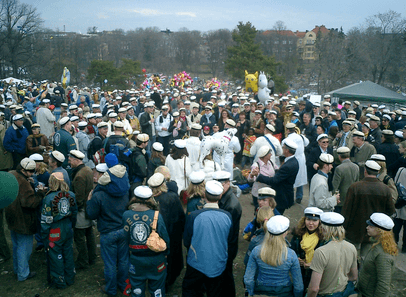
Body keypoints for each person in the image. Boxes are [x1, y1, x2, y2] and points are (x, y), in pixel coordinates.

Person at [86, 153, 130, 296]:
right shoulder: (124, 190)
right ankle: (124, 284)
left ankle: (111, 289)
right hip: (123, 229)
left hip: (107, 232)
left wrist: (89, 201)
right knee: (123, 260)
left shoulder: (98, 194)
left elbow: (91, 214)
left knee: (110, 263)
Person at [182, 180, 233, 297]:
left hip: (196, 262)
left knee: (191, 290)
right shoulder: (227, 216)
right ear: (220, 196)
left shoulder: (194, 216)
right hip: (218, 263)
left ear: (204, 194)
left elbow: (187, 240)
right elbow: (229, 240)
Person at [122, 186, 170, 297]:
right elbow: (165, 238)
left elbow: (126, 237)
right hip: (156, 258)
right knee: (157, 288)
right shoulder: (157, 216)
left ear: (135, 197)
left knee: (137, 288)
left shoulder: (126, 215)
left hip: (136, 259)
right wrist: (166, 253)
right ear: (150, 198)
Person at [342, 160, 395, 257]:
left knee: (350, 258)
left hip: (354, 230)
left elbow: (346, 211)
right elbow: (390, 210)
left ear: (365, 171)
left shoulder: (354, 187)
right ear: (378, 172)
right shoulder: (385, 189)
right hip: (375, 231)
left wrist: (343, 228)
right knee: (366, 259)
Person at [244, 215, 304, 297]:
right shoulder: (291, 255)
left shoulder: (256, 251)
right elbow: (299, 286)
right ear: (285, 233)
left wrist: (251, 293)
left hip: (261, 291)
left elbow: (248, 279)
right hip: (284, 292)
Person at [5, 158, 43, 281]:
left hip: (11, 217)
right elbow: (30, 203)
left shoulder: (11, 174)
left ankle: (17, 269)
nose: (32, 174)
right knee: (24, 248)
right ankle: (23, 274)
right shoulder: (23, 183)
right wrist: (40, 194)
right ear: (23, 170)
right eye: (30, 171)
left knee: (16, 245)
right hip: (23, 220)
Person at [147, 173, 186, 288]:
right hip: (173, 233)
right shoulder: (172, 197)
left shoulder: (150, 200)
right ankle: (170, 278)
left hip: (157, 235)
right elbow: (181, 216)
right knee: (173, 256)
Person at [40, 172, 77, 288]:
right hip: (68, 226)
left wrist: (44, 235)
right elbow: (74, 213)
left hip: (55, 230)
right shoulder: (71, 194)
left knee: (55, 255)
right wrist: (72, 225)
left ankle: (59, 281)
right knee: (68, 252)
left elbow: (46, 220)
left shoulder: (48, 198)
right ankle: (70, 277)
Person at [307, 212, 358, 297]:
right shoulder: (351, 247)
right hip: (344, 293)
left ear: (323, 229)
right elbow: (354, 277)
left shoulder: (321, 252)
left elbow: (314, 288)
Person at [212, 170, 242, 297]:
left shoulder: (231, 205)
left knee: (226, 275)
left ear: (227, 183)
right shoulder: (226, 198)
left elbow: (227, 231)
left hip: (226, 246)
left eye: (220, 186)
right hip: (225, 245)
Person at [358, 213, 398, 296]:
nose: (367, 227)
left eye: (371, 227)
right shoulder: (377, 244)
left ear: (380, 231)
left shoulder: (383, 255)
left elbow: (383, 285)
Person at [69, 150, 97, 269]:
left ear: (77, 160)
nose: (69, 162)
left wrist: (74, 210)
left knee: (80, 238)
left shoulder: (79, 175)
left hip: (81, 211)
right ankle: (92, 257)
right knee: (89, 235)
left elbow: (79, 197)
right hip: (88, 209)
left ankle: (83, 261)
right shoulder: (87, 170)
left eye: (70, 160)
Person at [256, 139, 299, 214]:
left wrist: (259, 176)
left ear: (287, 150)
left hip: (281, 196)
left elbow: (274, 181)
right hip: (285, 193)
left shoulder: (288, 165)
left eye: (283, 148)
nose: (282, 149)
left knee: (276, 216)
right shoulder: (293, 161)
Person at [290, 207, 324, 293]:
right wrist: (296, 258)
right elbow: (291, 249)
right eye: (308, 219)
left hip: (315, 271)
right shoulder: (298, 233)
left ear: (319, 222)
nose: (311, 223)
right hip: (298, 269)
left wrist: (313, 264)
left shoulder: (323, 237)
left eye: (315, 220)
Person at [285, 122, 309, 204]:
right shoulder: (301, 136)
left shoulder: (287, 139)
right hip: (301, 158)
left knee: (290, 179)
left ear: (288, 130)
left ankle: (290, 198)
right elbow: (307, 143)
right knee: (300, 178)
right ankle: (299, 197)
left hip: (291, 159)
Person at [332, 147, 359, 213]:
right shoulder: (356, 167)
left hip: (341, 200)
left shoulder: (339, 168)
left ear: (339, 156)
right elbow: (357, 183)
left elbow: (335, 186)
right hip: (352, 198)